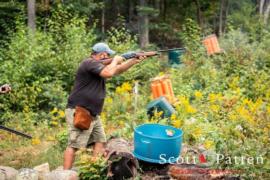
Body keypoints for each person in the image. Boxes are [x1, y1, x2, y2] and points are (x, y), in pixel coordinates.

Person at [63, 42, 146, 169]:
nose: (109, 57)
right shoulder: (89, 63)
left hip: (93, 114)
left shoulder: (98, 66)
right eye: (108, 55)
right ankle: (65, 174)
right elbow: (109, 73)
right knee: (74, 145)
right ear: (102, 54)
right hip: (80, 111)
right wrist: (117, 60)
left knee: (100, 140)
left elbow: (117, 70)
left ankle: (93, 169)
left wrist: (133, 61)